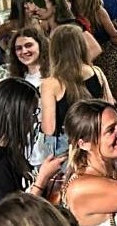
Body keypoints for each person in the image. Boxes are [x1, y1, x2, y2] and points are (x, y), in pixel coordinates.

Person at [0, 78, 64, 218]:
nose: (37, 120)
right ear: (14, 115)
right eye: (33, 113)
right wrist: (42, 179)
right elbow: (11, 220)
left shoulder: (10, 152)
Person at [40, 24, 111, 156]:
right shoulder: (96, 72)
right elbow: (109, 105)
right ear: (81, 47)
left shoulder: (50, 84)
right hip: (99, 140)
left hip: (69, 150)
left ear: (53, 50)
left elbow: (49, 129)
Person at [76, 0, 117, 92]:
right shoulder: (99, 11)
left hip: (92, 59)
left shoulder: (78, 15)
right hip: (109, 57)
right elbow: (114, 37)